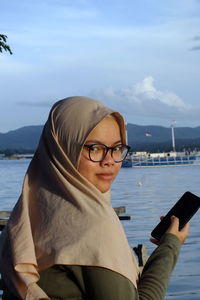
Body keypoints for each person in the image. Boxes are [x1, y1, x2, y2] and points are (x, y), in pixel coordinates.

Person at [0, 96, 189, 300]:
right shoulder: (92, 226)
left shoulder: (26, 218)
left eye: (117, 148)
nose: (109, 161)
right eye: (94, 148)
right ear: (63, 150)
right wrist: (170, 246)